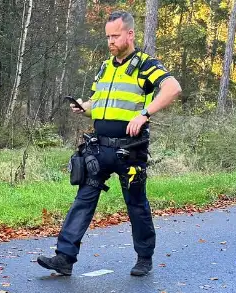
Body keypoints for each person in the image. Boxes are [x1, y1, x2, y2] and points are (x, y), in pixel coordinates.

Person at [37, 10, 181, 277]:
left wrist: (144, 114)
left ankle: (144, 258)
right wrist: (85, 108)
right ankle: (64, 258)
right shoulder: (105, 67)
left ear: (130, 34)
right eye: (108, 37)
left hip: (130, 149)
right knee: (83, 199)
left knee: (136, 204)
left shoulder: (144, 65)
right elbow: (100, 105)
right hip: (99, 149)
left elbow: (173, 88)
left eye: (115, 35)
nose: (111, 41)